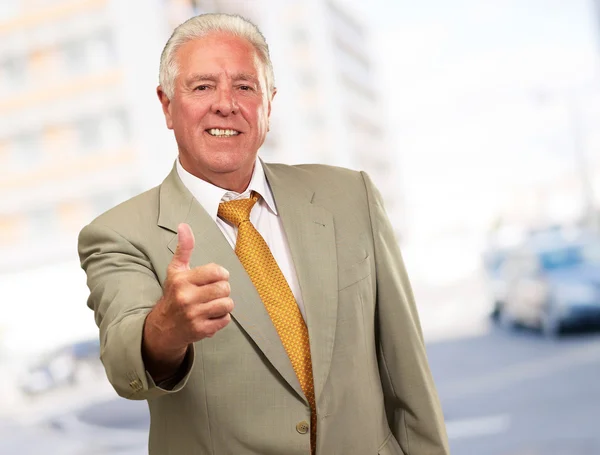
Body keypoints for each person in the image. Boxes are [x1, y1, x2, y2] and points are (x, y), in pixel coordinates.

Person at [78, 12, 450, 455]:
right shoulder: (118, 234)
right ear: (166, 106)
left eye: (244, 86)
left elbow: (405, 371)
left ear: (269, 104)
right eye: (202, 87)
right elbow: (125, 366)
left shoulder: (352, 197)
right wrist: (168, 326)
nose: (225, 104)